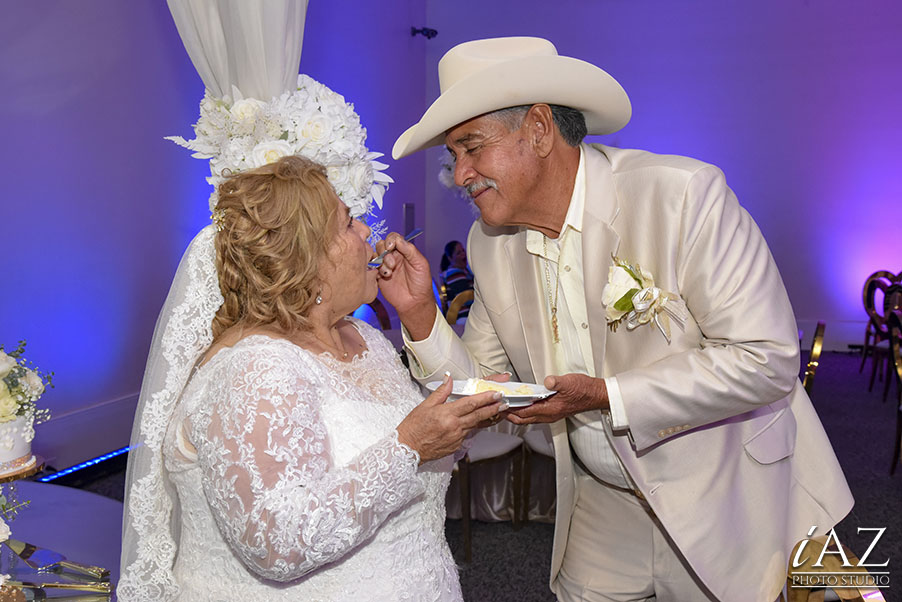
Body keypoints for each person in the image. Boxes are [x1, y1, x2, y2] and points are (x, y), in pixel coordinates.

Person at [377, 37, 853, 602]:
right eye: (452, 156)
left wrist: (606, 395)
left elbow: (767, 360)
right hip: (599, 500)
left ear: (537, 128)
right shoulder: (490, 243)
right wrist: (421, 315)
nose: (460, 175)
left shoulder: (682, 197)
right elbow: (480, 386)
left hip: (725, 494)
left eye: (471, 148)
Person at [118, 156, 508, 601]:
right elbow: (276, 543)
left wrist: (451, 421)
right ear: (306, 259)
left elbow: (411, 446)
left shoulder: (361, 338)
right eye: (348, 223)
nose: (367, 233)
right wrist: (411, 447)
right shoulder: (254, 368)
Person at [439, 240, 474, 319]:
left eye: (463, 250)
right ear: (450, 258)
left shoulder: (464, 271)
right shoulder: (454, 273)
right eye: (458, 253)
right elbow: (466, 298)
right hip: (463, 316)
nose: (463, 254)